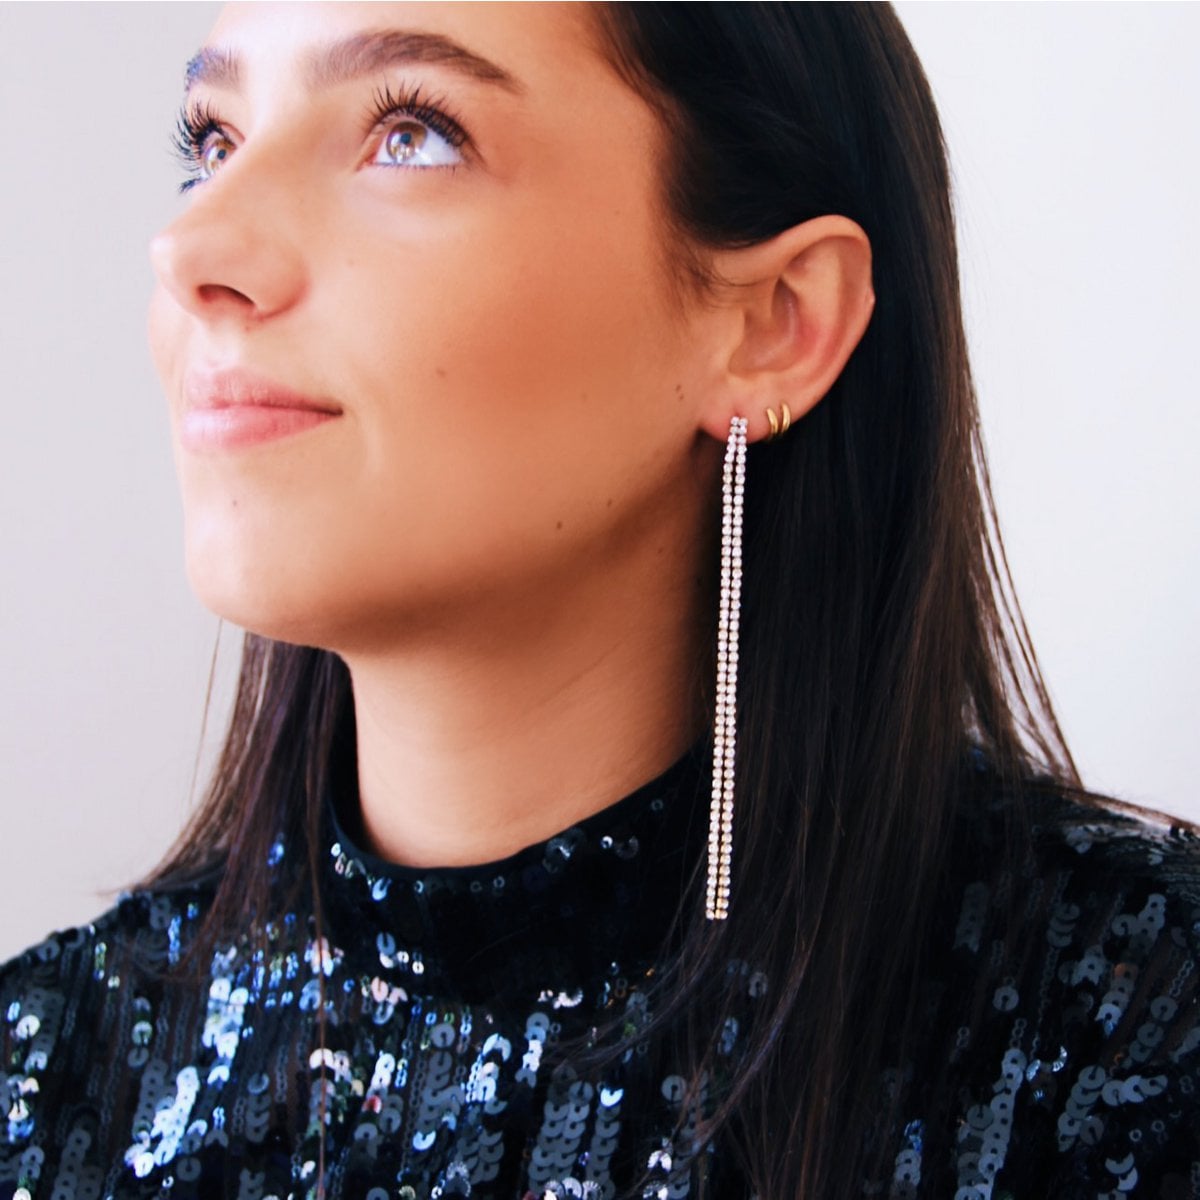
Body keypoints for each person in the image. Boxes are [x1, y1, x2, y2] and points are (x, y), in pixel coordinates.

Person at [2, 4, 1197, 1198]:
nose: (193, 245)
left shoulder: (1138, 1047)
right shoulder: (42, 1087)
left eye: (411, 133)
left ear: (773, 323)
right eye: (211, 142)